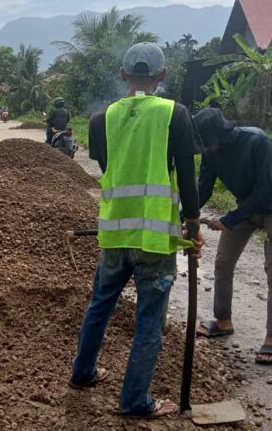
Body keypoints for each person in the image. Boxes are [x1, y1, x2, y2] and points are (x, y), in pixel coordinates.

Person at [70, 42, 203, 418]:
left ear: (123, 74)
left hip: (114, 232)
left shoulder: (100, 120)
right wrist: (192, 226)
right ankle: (134, 401)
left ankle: (82, 373)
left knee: (100, 304)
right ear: (162, 76)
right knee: (148, 319)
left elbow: (110, 164)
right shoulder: (175, 114)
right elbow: (188, 180)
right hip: (155, 237)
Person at [193, 108, 272, 365]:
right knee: (223, 262)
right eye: (204, 144)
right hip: (246, 207)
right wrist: (186, 213)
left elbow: (265, 189)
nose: (209, 147)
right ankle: (223, 320)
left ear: (223, 133)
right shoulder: (211, 152)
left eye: (210, 142)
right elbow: (204, 188)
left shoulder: (258, 141)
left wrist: (228, 220)